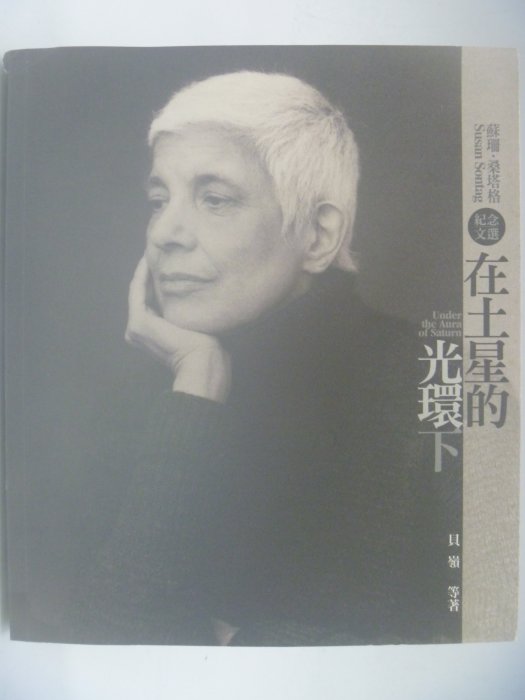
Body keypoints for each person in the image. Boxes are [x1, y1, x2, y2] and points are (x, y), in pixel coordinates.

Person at [72, 71, 441, 646]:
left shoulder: (434, 382)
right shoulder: (147, 391)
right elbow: (108, 642)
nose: (165, 232)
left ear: (318, 236)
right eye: (158, 200)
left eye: (215, 199)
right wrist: (195, 390)